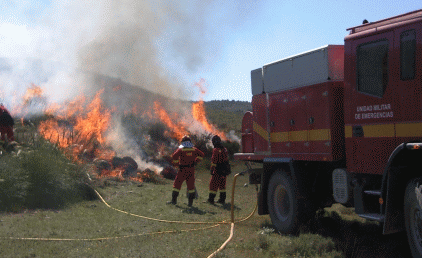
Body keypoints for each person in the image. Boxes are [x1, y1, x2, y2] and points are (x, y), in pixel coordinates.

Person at [167, 135, 204, 207]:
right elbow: (202, 154)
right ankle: (190, 203)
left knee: (177, 185)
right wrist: (196, 161)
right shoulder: (194, 149)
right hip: (191, 170)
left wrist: (177, 164)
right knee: (191, 187)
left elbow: (174, 156)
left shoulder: (181, 149)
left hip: (182, 170)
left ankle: (173, 201)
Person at [206, 135, 230, 205]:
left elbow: (214, 161)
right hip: (224, 170)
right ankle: (222, 200)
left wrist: (212, 169)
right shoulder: (225, 149)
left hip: (217, 170)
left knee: (213, 185)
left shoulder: (216, 150)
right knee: (222, 185)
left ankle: (211, 200)